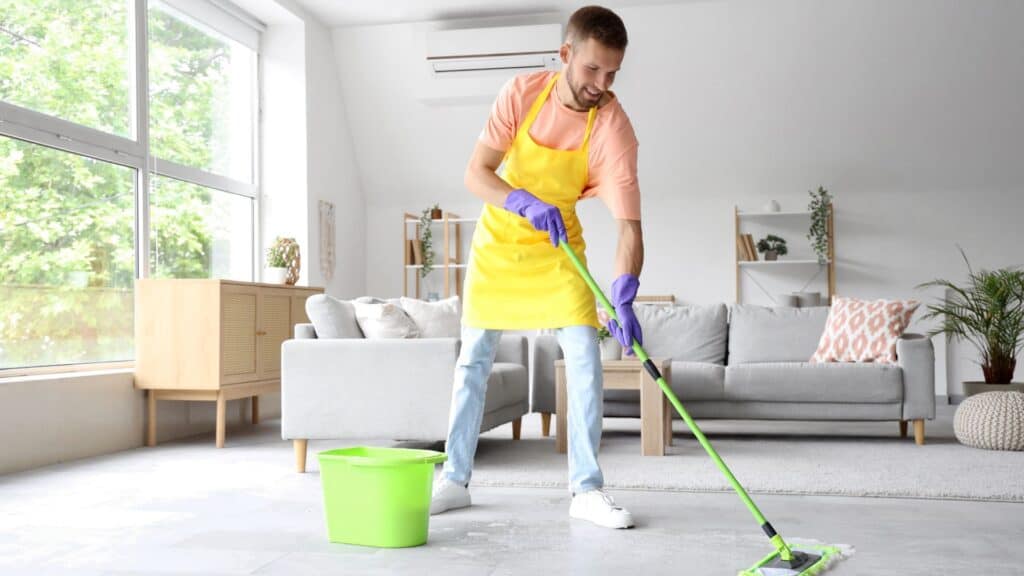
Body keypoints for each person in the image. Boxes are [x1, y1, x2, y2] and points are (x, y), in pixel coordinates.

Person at [430, 5, 644, 529]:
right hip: (499, 245)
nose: (602, 82)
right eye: (593, 69)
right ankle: (455, 479)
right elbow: (476, 174)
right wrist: (522, 200)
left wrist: (624, 291)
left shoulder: (612, 125)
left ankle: (587, 490)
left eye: (612, 72)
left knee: (586, 360)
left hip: (559, 251)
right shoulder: (522, 93)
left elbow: (629, 228)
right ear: (566, 54)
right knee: (473, 363)